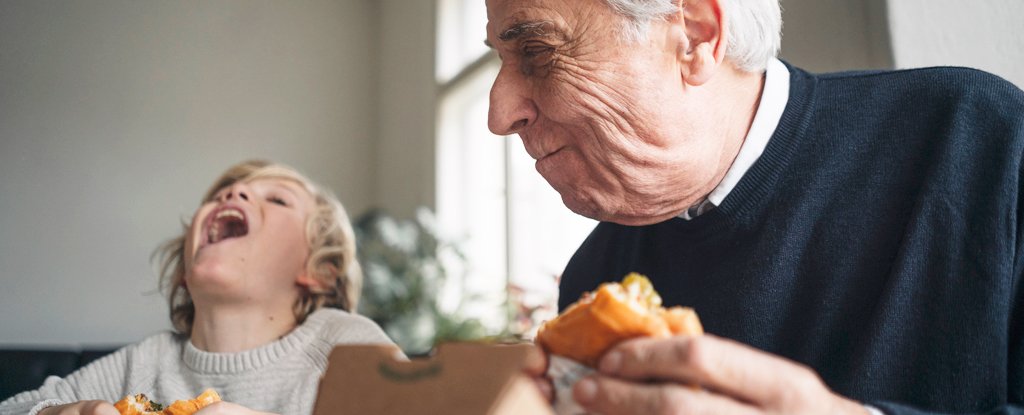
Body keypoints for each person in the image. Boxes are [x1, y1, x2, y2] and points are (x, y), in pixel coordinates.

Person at [485, 0, 1024, 414]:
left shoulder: (979, 141)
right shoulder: (594, 277)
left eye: (536, 53)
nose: (499, 112)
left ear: (696, 35)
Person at [0, 160, 394, 415]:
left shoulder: (340, 343)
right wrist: (57, 412)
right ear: (184, 273)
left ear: (319, 271)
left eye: (276, 200)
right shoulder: (144, 364)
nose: (232, 193)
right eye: (222, 193)